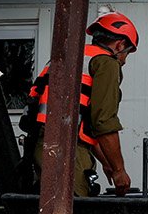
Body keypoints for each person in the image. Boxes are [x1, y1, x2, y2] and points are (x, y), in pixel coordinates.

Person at [23, 11, 139, 197]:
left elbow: (80, 123)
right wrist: (119, 170)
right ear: (120, 45)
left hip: (41, 149)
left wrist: (106, 162)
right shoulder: (106, 63)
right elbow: (103, 122)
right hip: (68, 154)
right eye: (127, 54)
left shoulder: (66, 58)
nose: (124, 61)